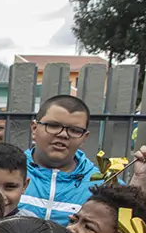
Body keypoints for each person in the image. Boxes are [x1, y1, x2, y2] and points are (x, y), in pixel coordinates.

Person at [19, 95, 98, 225]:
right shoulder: (6, 173)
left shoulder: (101, 184)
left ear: (84, 137)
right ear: (34, 128)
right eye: (53, 126)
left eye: (75, 130)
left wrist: (141, 179)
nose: (63, 134)